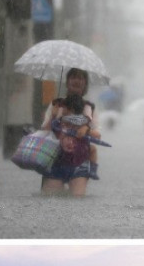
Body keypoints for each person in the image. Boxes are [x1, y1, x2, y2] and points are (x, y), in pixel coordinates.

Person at [40, 68, 100, 197]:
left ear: (85, 84)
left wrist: (86, 129)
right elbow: (44, 131)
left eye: (81, 78)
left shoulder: (89, 108)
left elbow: (97, 135)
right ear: (67, 82)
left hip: (79, 161)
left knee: (77, 198)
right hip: (55, 160)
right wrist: (53, 117)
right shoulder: (56, 105)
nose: (77, 81)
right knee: (50, 199)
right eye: (73, 77)